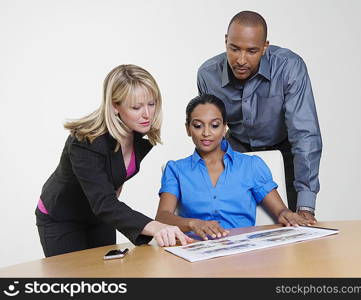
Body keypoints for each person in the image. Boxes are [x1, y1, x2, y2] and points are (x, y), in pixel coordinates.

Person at [35, 64, 192, 257]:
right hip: (62, 217)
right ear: (115, 106)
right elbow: (103, 200)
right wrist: (156, 226)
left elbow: (112, 181)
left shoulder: (137, 134)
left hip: (100, 215)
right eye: (136, 107)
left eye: (151, 104)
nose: (147, 114)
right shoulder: (85, 141)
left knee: (107, 275)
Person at [197, 11, 322, 223]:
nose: (241, 60)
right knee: (232, 227)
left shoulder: (289, 67)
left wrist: (305, 205)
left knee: (296, 227)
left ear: (265, 46)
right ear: (226, 41)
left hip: (285, 152)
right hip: (237, 155)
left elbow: (304, 135)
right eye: (234, 49)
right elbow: (211, 131)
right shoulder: (208, 74)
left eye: (252, 51)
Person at [156, 94, 312, 241]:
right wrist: (193, 223)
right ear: (188, 129)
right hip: (195, 252)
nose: (206, 133)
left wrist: (289, 215)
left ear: (224, 128)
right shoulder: (176, 170)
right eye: (198, 126)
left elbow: (281, 211)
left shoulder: (251, 166)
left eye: (214, 125)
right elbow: (162, 217)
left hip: (243, 252)